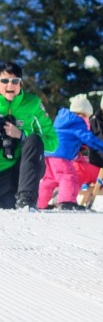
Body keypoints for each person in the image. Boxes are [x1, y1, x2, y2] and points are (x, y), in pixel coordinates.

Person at [37, 94, 103, 211]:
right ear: (83, 115)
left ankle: (39, 203)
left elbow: (69, 141)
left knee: (49, 180)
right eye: (88, 117)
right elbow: (91, 140)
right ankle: (67, 202)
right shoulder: (78, 123)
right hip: (61, 157)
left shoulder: (63, 121)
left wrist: (78, 155)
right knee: (69, 176)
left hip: (48, 155)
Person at [0, 61, 58, 210]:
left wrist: (21, 135)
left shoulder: (32, 103)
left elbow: (53, 143)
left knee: (34, 139)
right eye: (4, 81)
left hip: (23, 173)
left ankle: (26, 201)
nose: (10, 86)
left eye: (15, 81)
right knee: (6, 205)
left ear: (21, 83)